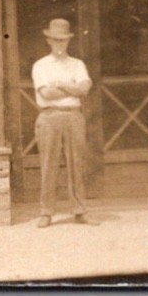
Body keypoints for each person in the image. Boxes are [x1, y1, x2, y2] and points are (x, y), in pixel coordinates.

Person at [31, 18, 92, 227]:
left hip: (74, 115)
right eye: (55, 40)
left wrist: (62, 84)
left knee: (77, 163)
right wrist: (71, 87)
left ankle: (79, 211)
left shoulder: (77, 64)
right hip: (49, 117)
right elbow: (46, 93)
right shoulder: (41, 65)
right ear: (49, 40)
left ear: (68, 41)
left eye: (63, 40)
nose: (59, 44)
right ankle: (46, 212)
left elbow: (84, 89)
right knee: (49, 164)